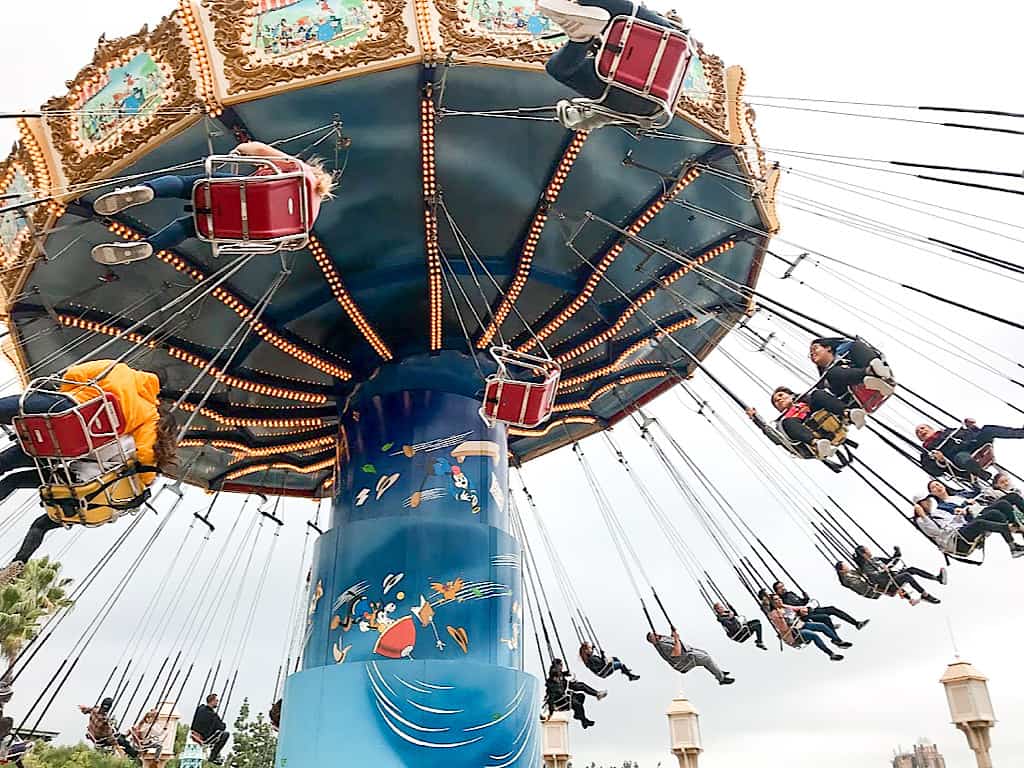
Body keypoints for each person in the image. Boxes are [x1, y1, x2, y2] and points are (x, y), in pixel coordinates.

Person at [0, 360, 178, 586]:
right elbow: (145, 456)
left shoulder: (119, 370)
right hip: (85, 487)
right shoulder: (148, 416)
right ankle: (19, 562)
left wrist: (68, 393)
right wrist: (144, 479)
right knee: (39, 521)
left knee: (10, 462)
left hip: (68, 429)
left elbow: (73, 374)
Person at [90, 141, 336, 265]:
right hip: (238, 226)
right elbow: (289, 242)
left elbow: (257, 149)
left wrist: (239, 152)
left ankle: (147, 190)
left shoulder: (301, 171)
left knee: (185, 184)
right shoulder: (308, 216)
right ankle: (150, 247)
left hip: (238, 192)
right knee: (187, 227)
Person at [537, 0, 688, 129]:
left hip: (658, 44)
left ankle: (582, 36)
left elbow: (589, 120)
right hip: (643, 97)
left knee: (562, 67)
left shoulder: (672, 33)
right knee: (558, 68)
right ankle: (581, 36)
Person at [746, 386, 863, 461]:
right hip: (808, 432)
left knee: (818, 393)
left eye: (781, 396)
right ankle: (817, 444)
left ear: (791, 395)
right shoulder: (784, 422)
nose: (779, 400)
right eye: (776, 402)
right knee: (787, 422)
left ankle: (848, 413)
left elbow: (822, 398)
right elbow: (774, 436)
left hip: (822, 417)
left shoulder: (806, 401)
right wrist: (756, 419)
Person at [913, 495, 1024, 559]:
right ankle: (1012, 528)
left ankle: (1013, 547)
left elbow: (955, 522)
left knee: (995, 513)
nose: (928, 503)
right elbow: (936, 531)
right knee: (979, 523)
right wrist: (923, 515)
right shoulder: (921, 520)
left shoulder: (937, 513)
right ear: (920, 505)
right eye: (925, 502)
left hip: (963, 528)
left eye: (928, 500)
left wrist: (960, 514)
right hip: (957, 540)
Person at [916, 420, 1024, 482]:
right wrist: (940, 461)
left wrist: (971, 426)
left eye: (923, 428)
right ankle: (981, 473)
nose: (921, 431)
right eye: (918, 432)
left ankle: (1021, 433)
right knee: (961, 457)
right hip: (958, 458)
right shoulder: (927, 452)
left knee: (988, 429)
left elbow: (971, 434)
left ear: (931, 429)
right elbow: (934, 472)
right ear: (920, 439)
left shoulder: (949, 431)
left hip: (972, 445)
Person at [808, 337, 894, 400]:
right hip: (850, 391)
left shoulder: (847, 350)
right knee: (832, 372)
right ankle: (872, 373)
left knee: (856, 345)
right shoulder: (825, 379)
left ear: (828, 348)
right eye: (810, 354)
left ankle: (877, 372)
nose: (812, 353)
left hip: (865, 366)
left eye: (815, 348)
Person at [852, 545, 944, 604]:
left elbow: (891, 561)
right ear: (864, 554)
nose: (869, 550)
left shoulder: (876, 559)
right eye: (867, 549)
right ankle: (925, 595)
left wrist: (897, 553)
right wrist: (883, 570)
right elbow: (875, 578)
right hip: (888, 584)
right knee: (906, 575)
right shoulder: (866, 566)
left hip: (892, 577)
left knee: (911, 569)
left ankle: (936, 578)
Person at [767, 595, 849, 661]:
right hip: (794, 633)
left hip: (801, 625)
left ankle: (837, 641)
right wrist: (781, 619)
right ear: (773, 603)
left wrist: (804, 609)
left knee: (821, 626)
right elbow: (783, 628)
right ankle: (831, 654)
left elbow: (797, 608)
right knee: (813, 635)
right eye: (776, 600)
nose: (779, 600)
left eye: (779, 598)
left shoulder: (784, 606)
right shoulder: (774, 614)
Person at [646, 629, 734, 685]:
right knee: (706, 659)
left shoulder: (662, 638)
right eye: (654, 635)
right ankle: (721, 679)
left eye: (655, 633)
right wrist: (676, 639)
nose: (656, 634)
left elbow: (673, 640)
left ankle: (718, 671)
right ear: (653, 641)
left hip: (688, 653)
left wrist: (673, 634)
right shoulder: (662, 646)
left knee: (705, 654)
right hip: (685, 661)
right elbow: (676, 652)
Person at [771, 581, 868, 631]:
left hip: (809, 609)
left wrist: (805, 598)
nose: (783, 588)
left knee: (832, 609)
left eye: (783, 586)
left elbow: (802, 602)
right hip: (803, 615)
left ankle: (856, 623)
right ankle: (833, 632)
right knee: (824, 618)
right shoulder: (779, 600)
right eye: (780, 588)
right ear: (776, 591)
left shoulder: (790, 593)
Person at [544, 658, 605, 728]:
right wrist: (551, 711)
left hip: (565, 694)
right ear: (557, 666)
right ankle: (584, 720)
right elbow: (551, 697)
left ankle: (596, 694)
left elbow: (561, 675)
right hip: (561, 701)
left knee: (581, 695)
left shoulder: (559, 676)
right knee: (578, 704)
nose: (562, 666)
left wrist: (566, 673)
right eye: (561, 665)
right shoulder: (553, 681)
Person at [191, 693, 230, 765]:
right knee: (225, 734)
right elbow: (222, 727)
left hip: (193, 734)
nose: (217, 702)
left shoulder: (200, 708)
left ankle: (215, 753)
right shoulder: (213, 715)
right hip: (203, 739)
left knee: (216, 735)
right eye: (216, 701)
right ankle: (213, 757)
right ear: (212, 701)